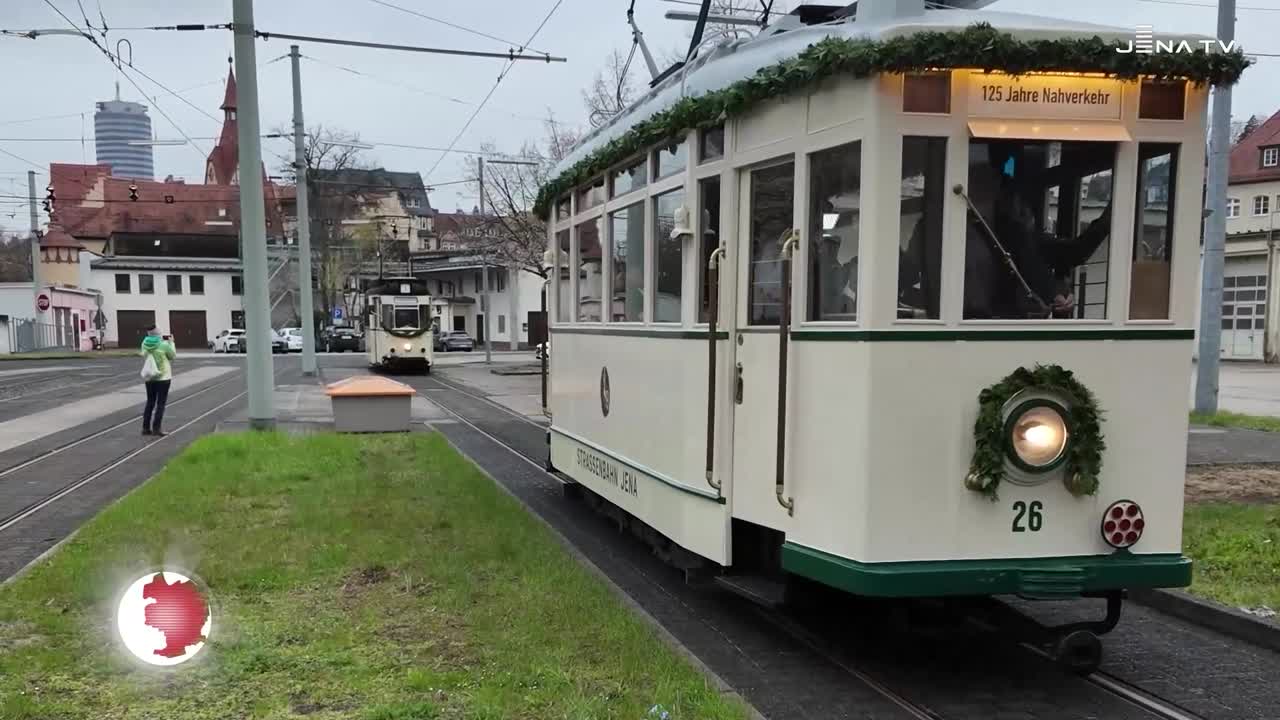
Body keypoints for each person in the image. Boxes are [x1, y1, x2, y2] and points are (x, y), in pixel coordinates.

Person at [140, 326, 176, 437]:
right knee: (161, 403)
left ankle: (145, 428)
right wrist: (171, 343)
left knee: (150, 402)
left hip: (150, 377)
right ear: (158, 334)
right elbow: (172, 356)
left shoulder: (144, 344)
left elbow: (144, 355)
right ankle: (156, 428)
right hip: (163, 378)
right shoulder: (163, 345)